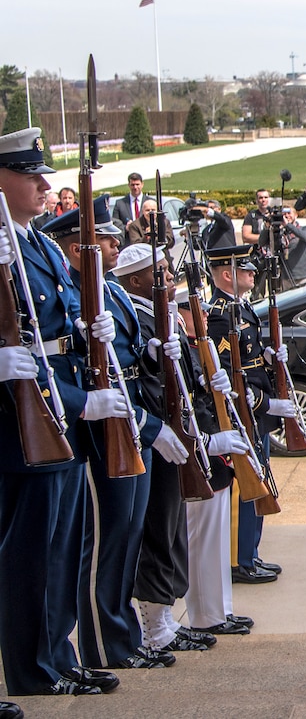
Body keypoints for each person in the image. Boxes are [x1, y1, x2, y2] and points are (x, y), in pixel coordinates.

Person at [0, 127, 124, 697]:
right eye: (31, 176)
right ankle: (32, 670)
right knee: (30, 554)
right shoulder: (4, 247)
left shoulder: (45, 246)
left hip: (62, 409)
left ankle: (58, 654)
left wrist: (91, 328)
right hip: (25, 418)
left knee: (65, 548)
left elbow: (65, 319)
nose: (44, 186)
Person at [45, 196, 190, 671]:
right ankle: (105, 645)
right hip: (110, 427)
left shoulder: (115, 292)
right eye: (104, 239)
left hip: (131, 421)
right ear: (75, 248)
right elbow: (95, 372)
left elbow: (126, 362)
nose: (113, 244)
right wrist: (148, 424)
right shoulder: (88, 292)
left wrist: (151, 353)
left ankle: (122, 639)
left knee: (128, 535)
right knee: (107, 543)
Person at [112, 244, 230, 655]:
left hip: (177, 431)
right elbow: (141, 380)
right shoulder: (132, 315)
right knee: (158, 530)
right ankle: (154, 625)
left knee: (173, 527)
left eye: (165, 268)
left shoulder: (163, 315)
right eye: (156, 271)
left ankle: (164, 618)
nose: (166, 276)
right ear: (134, 280)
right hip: (157, 432)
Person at [206, 245, 294, 585]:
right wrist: (265, 403)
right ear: (228, 275)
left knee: (258, 480)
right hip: (243, 412)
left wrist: (271, 358)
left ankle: (251, 554)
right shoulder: (218, 315)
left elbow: (251, 360)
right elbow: (226, 375)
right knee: (246, 485)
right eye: (247, 271)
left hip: (255, 413)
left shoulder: (242, 308)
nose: (253, 275)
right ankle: (239, 560)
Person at [176, 296, 255, 637]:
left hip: (217, 458)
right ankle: (206, 615)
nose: (205, 314)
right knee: (202, 542)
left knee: (217, 541)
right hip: (202, 456)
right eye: (194, 310)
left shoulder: (199, 347)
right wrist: (209, 443)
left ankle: (220, 610)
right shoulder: (183, 349)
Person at [260, 205, 306, 287]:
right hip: (285, 276)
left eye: (289, 213)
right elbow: (261, 242)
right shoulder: (280, 232)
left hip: (301, 276)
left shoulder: (304, 229)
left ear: (296, 215)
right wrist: (267, 227)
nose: (287, 216)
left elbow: (305, 237)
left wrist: (288, 225)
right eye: (284, 214)